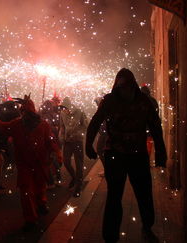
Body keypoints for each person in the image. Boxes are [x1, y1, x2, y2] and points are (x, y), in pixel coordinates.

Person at [85, 68, 167, 243]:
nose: (125, 91)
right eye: (122, 88)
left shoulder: (144, 102)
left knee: (144, 194)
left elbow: (156, 127)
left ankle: (147, 227)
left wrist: (161, 152)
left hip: (138, 154)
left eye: (128, 87)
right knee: (114, 197)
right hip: (115, 154)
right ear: (117, 87)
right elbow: (95, 122)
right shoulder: (109, 101)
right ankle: (110, 236)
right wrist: (88, 144)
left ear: (133, 86)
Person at [0, 95, 62, 232]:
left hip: (40, 163)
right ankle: (31, 219)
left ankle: (42, 203)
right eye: (24, 112)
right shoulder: (17, 124)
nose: (26, 115)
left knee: (40, 187)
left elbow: (51, 140)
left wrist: (57, 152)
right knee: (26, 192)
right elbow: (2, 127)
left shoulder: (43, 125)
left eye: (28, 112)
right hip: (24, 165)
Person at [59, 97, 88, 197]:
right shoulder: (62, 113)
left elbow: (85, 125)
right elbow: (62, 126)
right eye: (62, 108)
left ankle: (78, 186)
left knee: (79, 164)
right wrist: (62, 136)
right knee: (66, 162)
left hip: (77, 141)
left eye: (64, 107)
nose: (63, 109)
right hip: (67, 142)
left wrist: (79, 134)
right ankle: (75, 177)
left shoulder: (79, 112)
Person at [39, 100, 62, 188]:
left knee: (47, 161)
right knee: (54, 160)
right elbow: (58, 126)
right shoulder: (55, 115)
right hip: (54, 140)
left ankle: (51, 182)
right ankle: (58, 179)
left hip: (46, 141)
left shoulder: (41, 117)